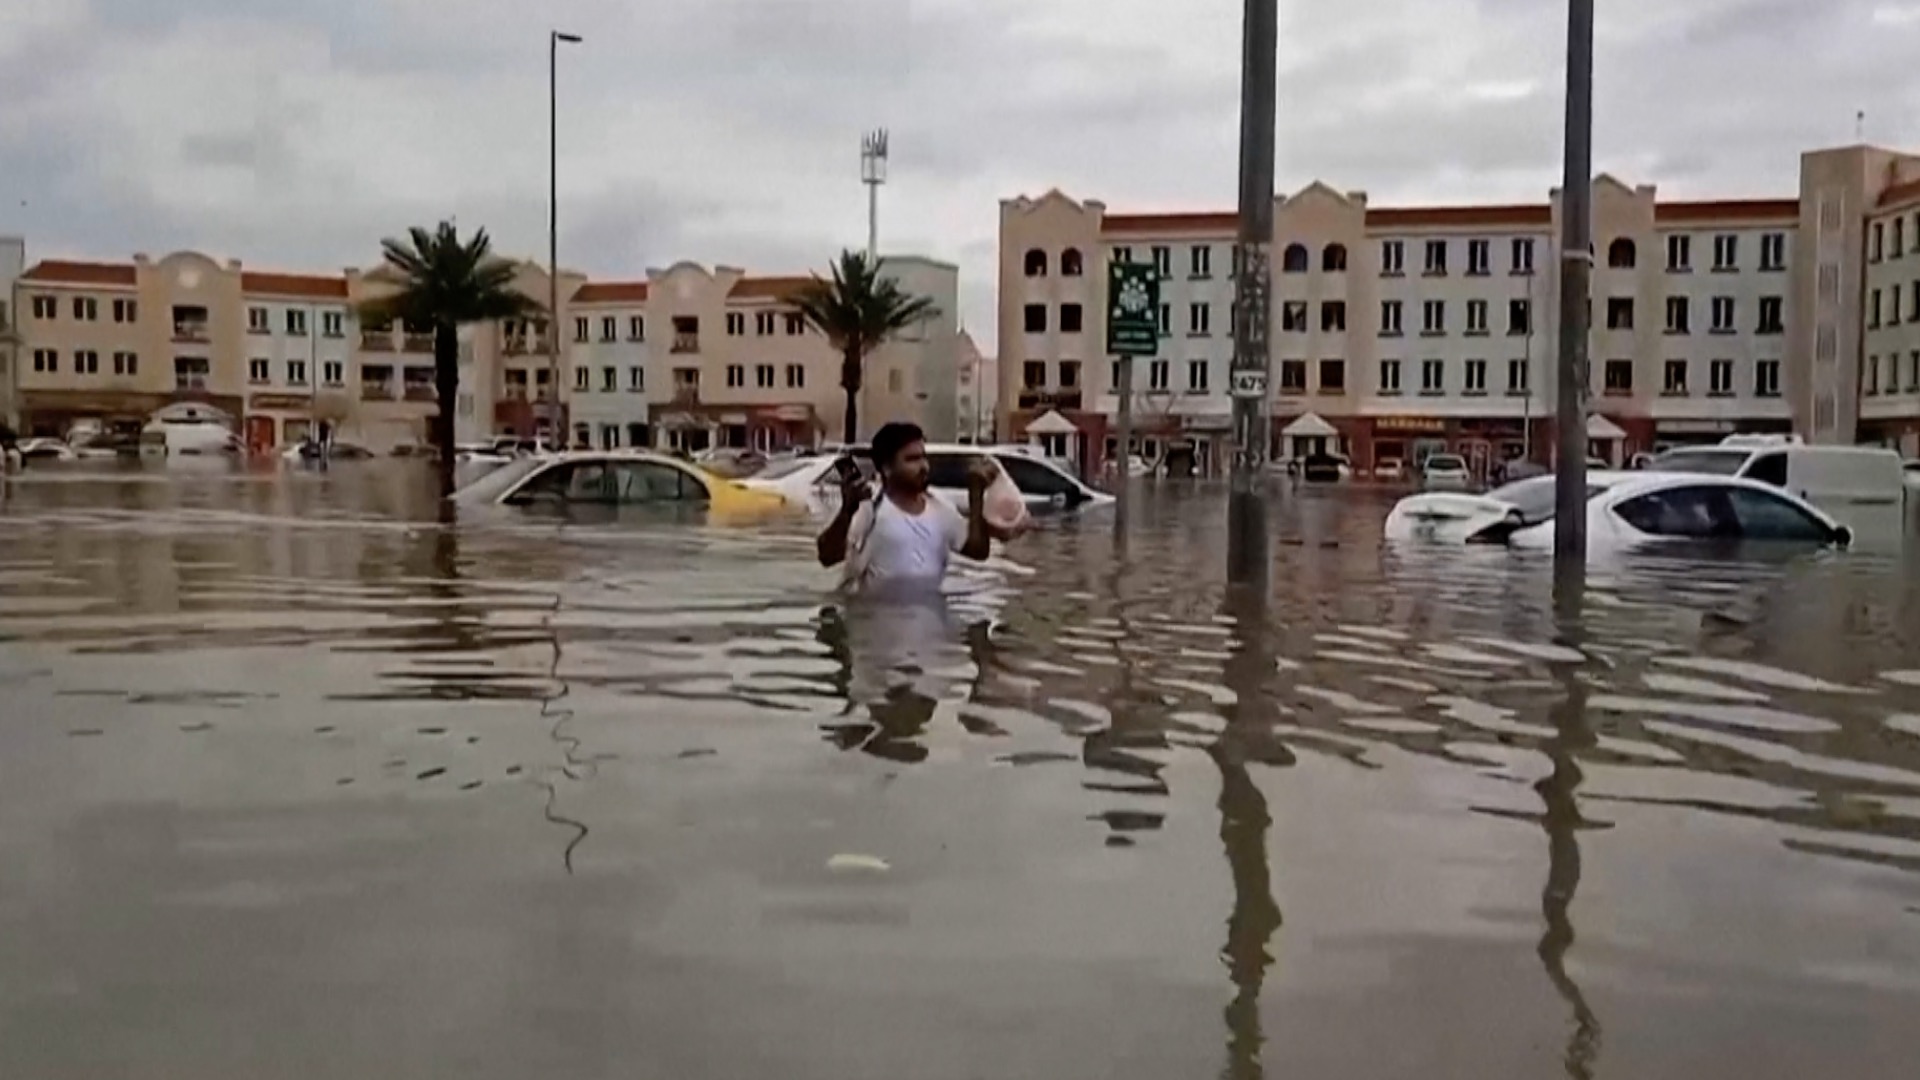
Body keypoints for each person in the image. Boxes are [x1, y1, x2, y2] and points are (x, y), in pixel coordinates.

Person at [815, 422, 1015, 595]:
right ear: (887, 468)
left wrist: (976, 492)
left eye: (923, 457)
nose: (924, 466)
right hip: (876, 627)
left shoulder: (940, 506)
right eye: (912, 459)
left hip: (928, 626)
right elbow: (827, 557)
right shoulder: (869, 508)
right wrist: (846, 511)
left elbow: (978, 552)